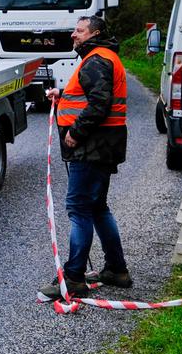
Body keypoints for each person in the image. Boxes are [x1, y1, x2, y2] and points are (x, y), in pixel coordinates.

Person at [40, 15, 132, 300]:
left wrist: (76, 133)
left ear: (95, 33)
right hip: (103, 145)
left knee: (79, 208)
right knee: (97, 208)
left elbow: (99, 103)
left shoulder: (96, 60)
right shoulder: (101, 57)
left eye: (79, 30)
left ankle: (74, 277)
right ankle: (116, 270)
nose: (73, 35)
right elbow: (92, 94)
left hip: (92, 147)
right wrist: (64, 93)